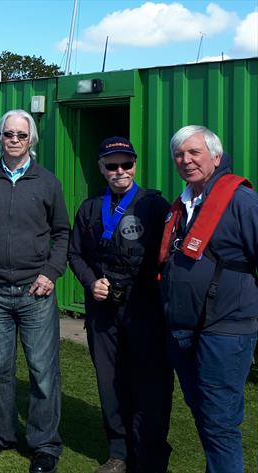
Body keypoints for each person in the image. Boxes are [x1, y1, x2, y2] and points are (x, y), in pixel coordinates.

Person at [0, 109, 69, 473]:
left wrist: (52, 272)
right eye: (8, 134)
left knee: (42, 371)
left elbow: (61, 233)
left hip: (35, 291)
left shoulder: (47, 182)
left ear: (31, 140)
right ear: (0, 137)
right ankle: (0, 433)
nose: (14, 140)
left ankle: (45, 444)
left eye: (21, 135)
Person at [67, 137, 172, 473]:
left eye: (126, 164)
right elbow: (75, 254)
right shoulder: (89, 208)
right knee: (110, 382)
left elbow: (167, 256)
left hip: (144, 309)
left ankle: (149, 454)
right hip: (103, 310)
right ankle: (118, 452)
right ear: (101, 169)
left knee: (150, 382)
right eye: (112, 166)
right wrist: (90, 282)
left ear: (135, 165)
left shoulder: (153, 206)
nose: (120, 171)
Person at [159, 125, 258, 473]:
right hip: (184, 329)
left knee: (219, 420)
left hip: (225, 329)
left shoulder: (240, 201)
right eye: (179, 155)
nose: (186, 160)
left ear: (215, 157)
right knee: (204, 414)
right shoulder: (184, 203)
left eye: (194, 153)